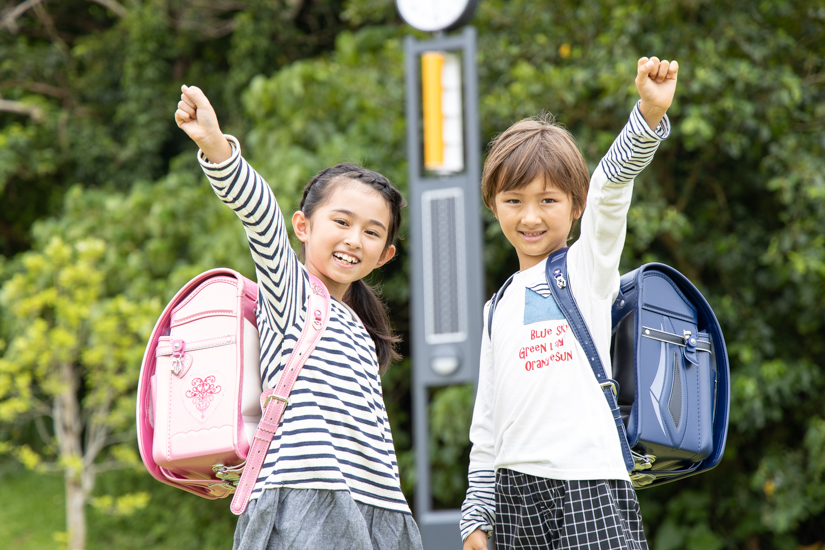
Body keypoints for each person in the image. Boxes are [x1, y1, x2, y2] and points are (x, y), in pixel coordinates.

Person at [174, 85, 423, 550]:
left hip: (378, 504)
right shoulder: (292, 295)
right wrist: (216, 148)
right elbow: (261, 216)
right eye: (342, 222)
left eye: (372, 232)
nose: (354, 240)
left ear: (385, 254)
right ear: (304, 226)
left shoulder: (362, 328)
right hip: (307, 499)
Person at [460, 56, 679, 550]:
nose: (530, 216)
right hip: (514, 494)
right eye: (514, 200)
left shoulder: (586, 269)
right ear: (493, 204)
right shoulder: (496, 307)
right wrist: (477, 515)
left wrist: (645, 116)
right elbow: (487, 423)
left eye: (549, 200)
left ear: (576, 206)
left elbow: (610, 187)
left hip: (591, 481)